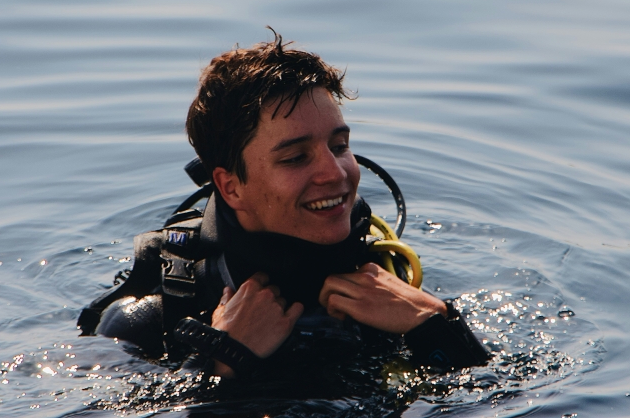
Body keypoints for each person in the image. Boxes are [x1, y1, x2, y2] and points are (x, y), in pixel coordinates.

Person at [78, 32, 489, 380]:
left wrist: (435, 324)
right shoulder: (153, 319)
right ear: (231, 187)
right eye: (295, 158)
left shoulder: (392, 289)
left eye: (339, 146)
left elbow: (490, 398)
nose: (336, 173)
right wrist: (223, 359)